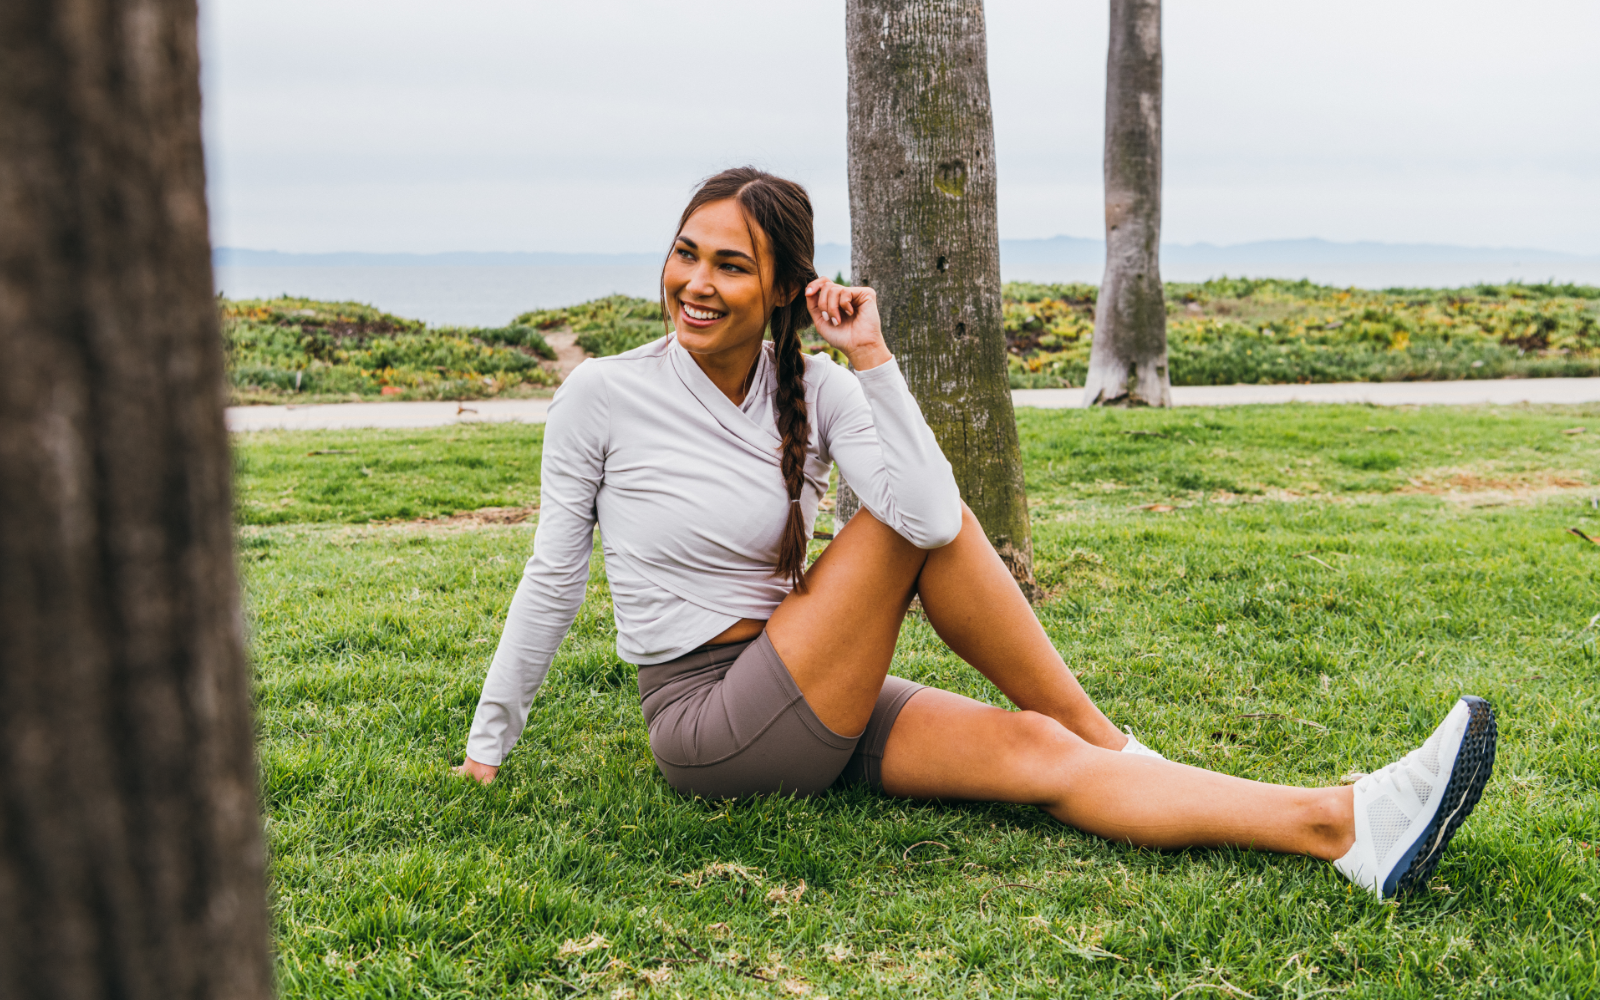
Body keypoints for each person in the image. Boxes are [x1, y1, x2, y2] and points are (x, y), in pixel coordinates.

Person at [456, 167, 1496, 900]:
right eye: (686, 254)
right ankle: (1113, 737)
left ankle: (1342, 825)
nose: (695, 282)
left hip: (809, 679)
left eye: (730, 265)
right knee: (914, 526)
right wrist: (487, 745)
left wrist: (870, 357)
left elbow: (926, 506)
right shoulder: (604, 395)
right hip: (709, 721)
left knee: (1037, 752)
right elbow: (553, 577)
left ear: (779, 288)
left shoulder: (816, 386)